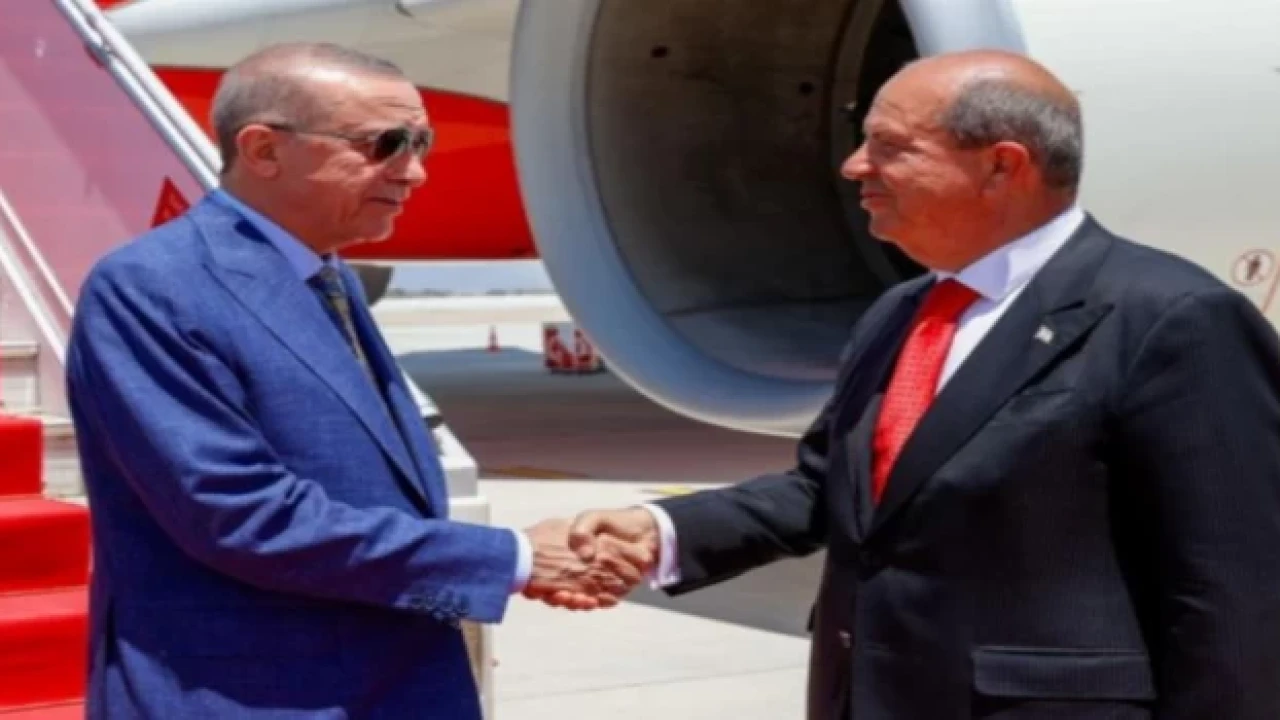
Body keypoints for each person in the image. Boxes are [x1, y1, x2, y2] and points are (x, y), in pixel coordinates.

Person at [564, 49, 1280, 719]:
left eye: (890, 146)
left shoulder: (1171, 317)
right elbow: (830, 488)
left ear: (1002, 166)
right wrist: (662, 530)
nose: (855, 166)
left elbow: (1237, 591)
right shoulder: (902, 313)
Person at [66, 42, 646, 719]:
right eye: (385, 144)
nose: (416, 172)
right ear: (263, 149)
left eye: (421, 143)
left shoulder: (321, 275)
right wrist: (513, 559)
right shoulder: (154, 287)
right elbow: (241, 515)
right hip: (253, 694)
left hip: (391, 681)